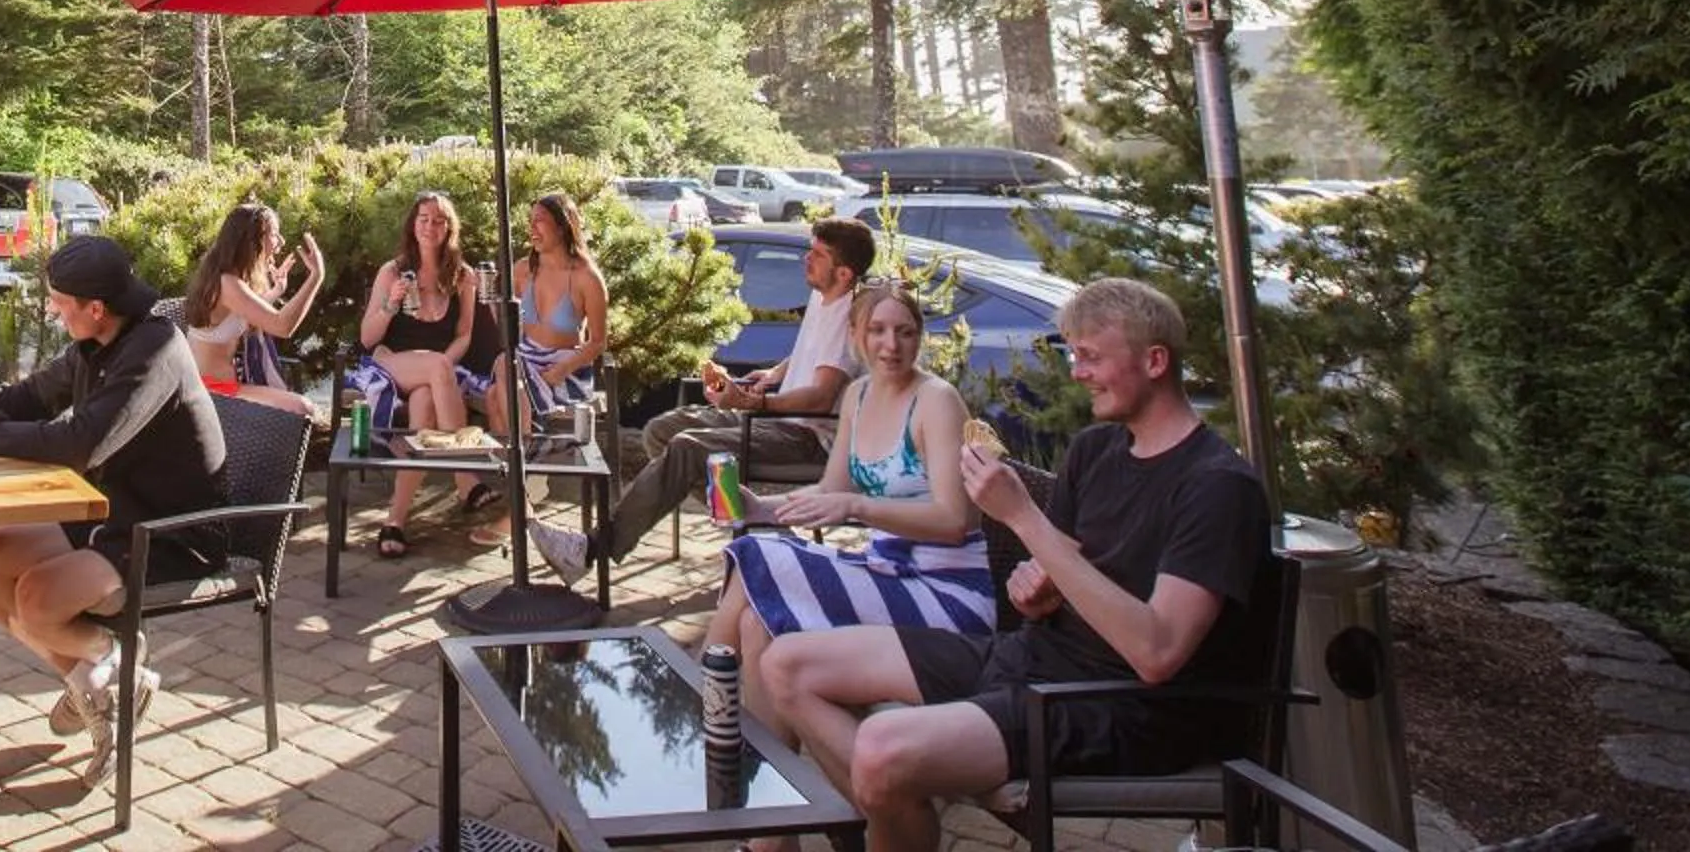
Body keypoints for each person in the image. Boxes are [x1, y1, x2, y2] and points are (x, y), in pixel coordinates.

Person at [755, 278, 1273, 852]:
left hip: (1119, 705)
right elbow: (1066, 569)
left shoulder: (1216, 487)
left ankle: (892, 800)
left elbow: (1157, 652)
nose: (1078, 372)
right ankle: (890, 811)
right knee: (787, 665)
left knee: (881, 749)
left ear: (1154, 362)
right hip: (1031, 657)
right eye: (1075, 355)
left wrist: (1024, 518)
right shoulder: (1096, 450)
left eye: (1091, 357)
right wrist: (1039, 590)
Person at [0, 235, 229, 789]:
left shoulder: (156, 350)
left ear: (96, 308)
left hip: (168, 534)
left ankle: (113, 670)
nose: (54, 313)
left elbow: (82, 444)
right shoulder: (96, 343)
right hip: (112, 512)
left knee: (38, 599)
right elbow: (33, 397)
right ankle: (97, 683)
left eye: (60, 304)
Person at [704, 283, 990, 753]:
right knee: (756, 623)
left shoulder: (936, 400)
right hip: (888, 573)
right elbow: (831, 490)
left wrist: (858, 507)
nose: (891, 345)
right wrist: (763, 509)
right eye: (877, 331)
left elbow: (955, 520)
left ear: (919, 337)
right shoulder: (857, 395)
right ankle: (769, 791)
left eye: (904, 332)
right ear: (855, 335)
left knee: (755, 554)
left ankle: (702, 705)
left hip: (946, 594)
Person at [528, 217, 872, 585]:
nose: (807, 259)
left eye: (818, 255)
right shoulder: (822, 298)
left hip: (806, 437)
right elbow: (809, 351)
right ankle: (754, 520)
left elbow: (820, 397)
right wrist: (772, 375)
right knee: (662, 430)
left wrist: (756, 404)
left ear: (844, 274)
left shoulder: (849, 320)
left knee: (688, 450)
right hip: (777, 420)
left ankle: (593, 549)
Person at [461, 192, 609, 530]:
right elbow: (506, 328)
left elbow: (598, 342)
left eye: (540, 221)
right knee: (503, 373)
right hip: (523, 361)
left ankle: (522, 495)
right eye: (530, 222)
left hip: (565, 370)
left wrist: (560, 370)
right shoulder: (523, 270)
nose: (532, 229)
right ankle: (526, 490)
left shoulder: (587, 277)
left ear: (563, 226)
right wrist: (487, 296)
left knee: (500, 388)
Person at [345, 191, 478, 559]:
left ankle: (395, 522)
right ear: (413, 225)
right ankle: (464, 477)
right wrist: (391, 304)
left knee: (424, 407)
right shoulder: (392, 271)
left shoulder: (463, 276)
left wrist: (442, 367)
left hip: (435, 375)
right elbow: (367, 338)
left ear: (449, 228)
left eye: (438, 220)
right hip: (389, 366)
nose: (430, 226)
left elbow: (464, 334)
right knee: (435, 368)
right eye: (423, 219)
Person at [178, 200, 322, 417]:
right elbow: (282, 326)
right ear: (252, 241)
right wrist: (316, 277)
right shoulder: (228, 284)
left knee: (302, 408)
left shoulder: (231, 280)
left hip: (223, 388)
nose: (281, 241)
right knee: (302, 408)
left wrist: (277, 291)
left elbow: (246, 313)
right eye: (274, 234)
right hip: (211, 394)